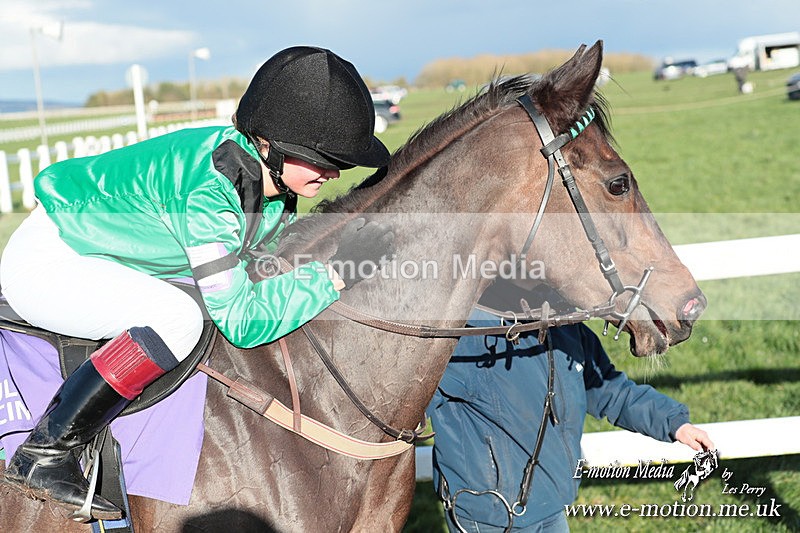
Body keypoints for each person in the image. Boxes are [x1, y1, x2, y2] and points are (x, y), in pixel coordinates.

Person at [0, 46, 394, 520]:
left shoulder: (266, 180)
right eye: (322, 159)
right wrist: (337, 273)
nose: (333, 174)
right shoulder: (210, 193)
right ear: (270, 143)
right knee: (178, 317)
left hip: (101, 249)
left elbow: (267, 259)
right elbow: (244, 321)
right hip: (50, 262)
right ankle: (45, 453)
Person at [427, 281, 714, 532]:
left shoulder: (564, 327)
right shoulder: (462, 336)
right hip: (490, 513)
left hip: (552, 499)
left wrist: (674, 423)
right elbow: (408, 401)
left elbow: (610, 390)